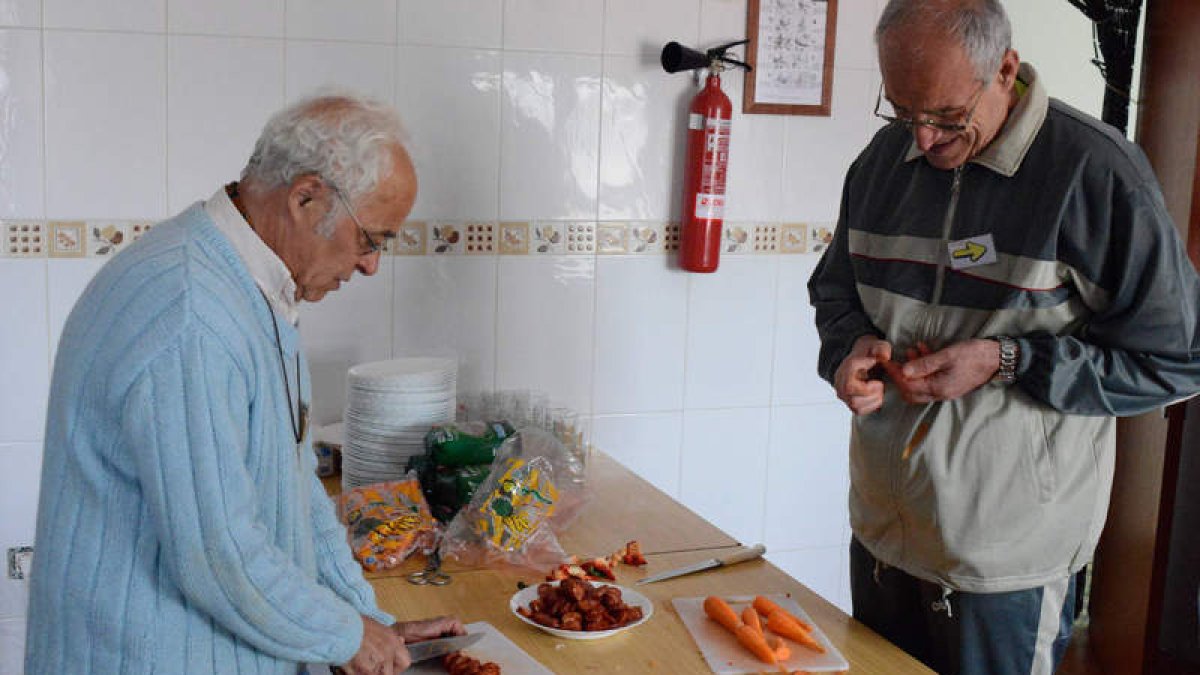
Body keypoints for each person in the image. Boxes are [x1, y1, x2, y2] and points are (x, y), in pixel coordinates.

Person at [808, 1, 1200, 673]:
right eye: (903, 112)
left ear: (1005, 70)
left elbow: (1178, 359)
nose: (923, 140)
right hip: (882, 538)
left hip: (1006, 565)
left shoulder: (1094, 174)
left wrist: (1007, 359)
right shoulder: (881, 163)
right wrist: (849, 348)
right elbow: (835, 291)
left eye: (946, 117)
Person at [25, 93, 464, 674]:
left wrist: (363, 620)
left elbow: (292, 484)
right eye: (371, 239)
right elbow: (217, 555)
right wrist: (343, 636)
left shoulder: (249, 287)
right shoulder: (191, 313)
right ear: (307, 198)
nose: (370, 266)